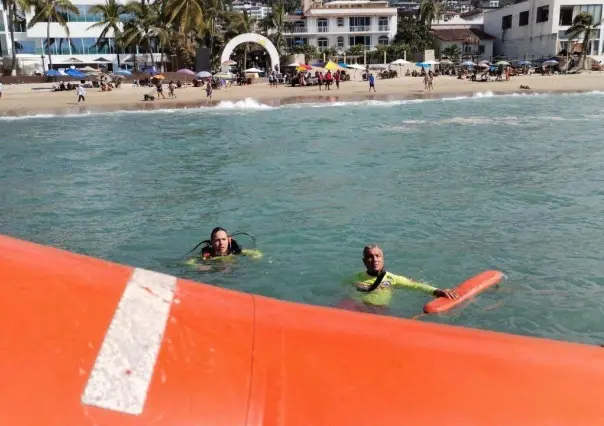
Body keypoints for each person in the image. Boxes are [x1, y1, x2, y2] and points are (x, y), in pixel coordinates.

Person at [338, 244, 459, 312]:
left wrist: (438, 291)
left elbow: (416, 285)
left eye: (377, 256)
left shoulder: (392, 278)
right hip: (356, 305)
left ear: (382, 259)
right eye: (370, 257)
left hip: (377, 309)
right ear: (364, 261)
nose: (374, 259)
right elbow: (341, 291)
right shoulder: (354, 278)